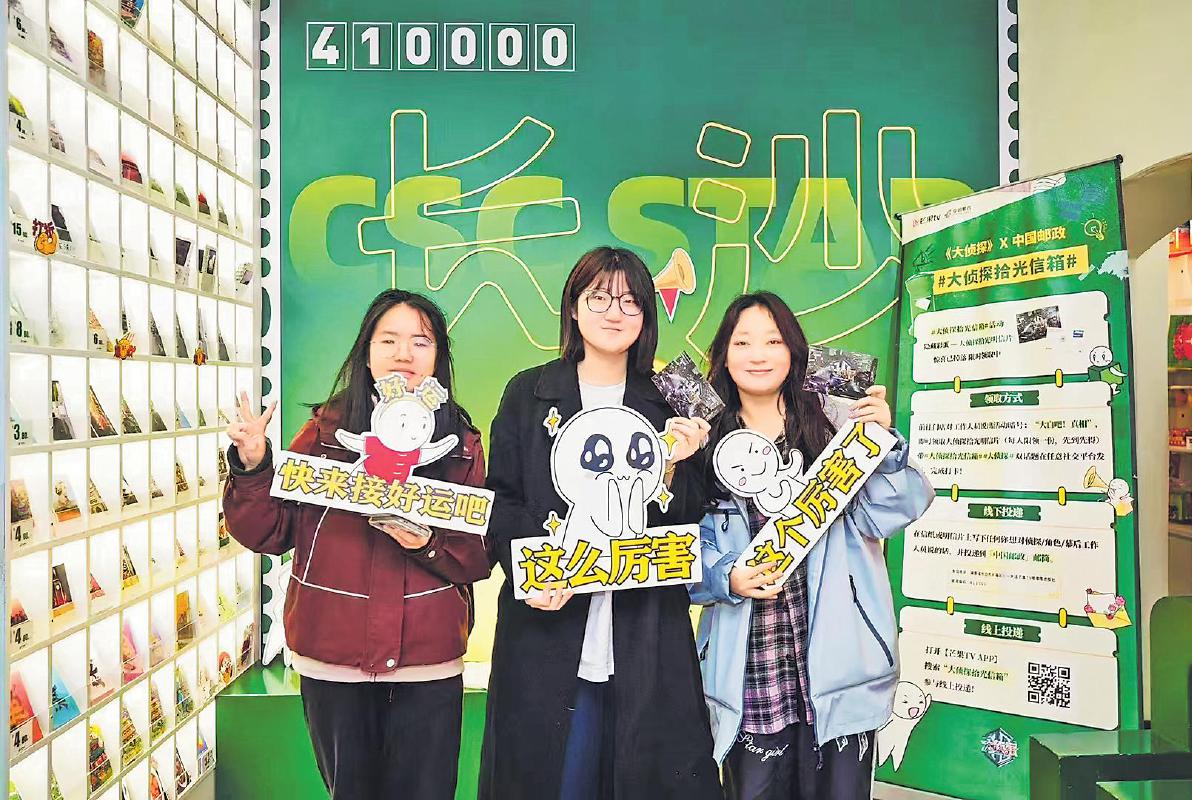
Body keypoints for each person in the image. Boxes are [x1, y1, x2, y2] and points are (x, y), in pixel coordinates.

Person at [222, 289, 490, 799]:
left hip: (428, 663)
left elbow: (478, 553)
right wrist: (254, 466)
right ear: (366, 353)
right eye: (388, 340)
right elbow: (269, 531)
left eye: (420, 342)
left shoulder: (460, 443)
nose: (404, 354)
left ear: (438, 358)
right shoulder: (325, 433)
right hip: (334, 658)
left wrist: (428, 544)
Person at [479, 246, 722, 800]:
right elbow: (502, 501)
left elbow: (689, 516)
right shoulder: (527, 392)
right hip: (547, 625)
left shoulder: (672, 401)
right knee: (550, 777)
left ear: (647, 316)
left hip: (644, 630)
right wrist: (533, 575)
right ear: (573, 307)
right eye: (599, 298)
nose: (615, 313)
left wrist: (682, 464)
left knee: (642, 775)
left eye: (631, 302)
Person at [690, 292, 934, 800]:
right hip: (749, 672)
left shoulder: (836, 423)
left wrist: (884, 444)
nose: (759, 355)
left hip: (840, 663)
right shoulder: (705, 441)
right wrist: (725, 576)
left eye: (773, 341)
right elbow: (683, 548)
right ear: (724, 354)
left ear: (794, 351)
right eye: (743, 342)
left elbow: (893, 511)